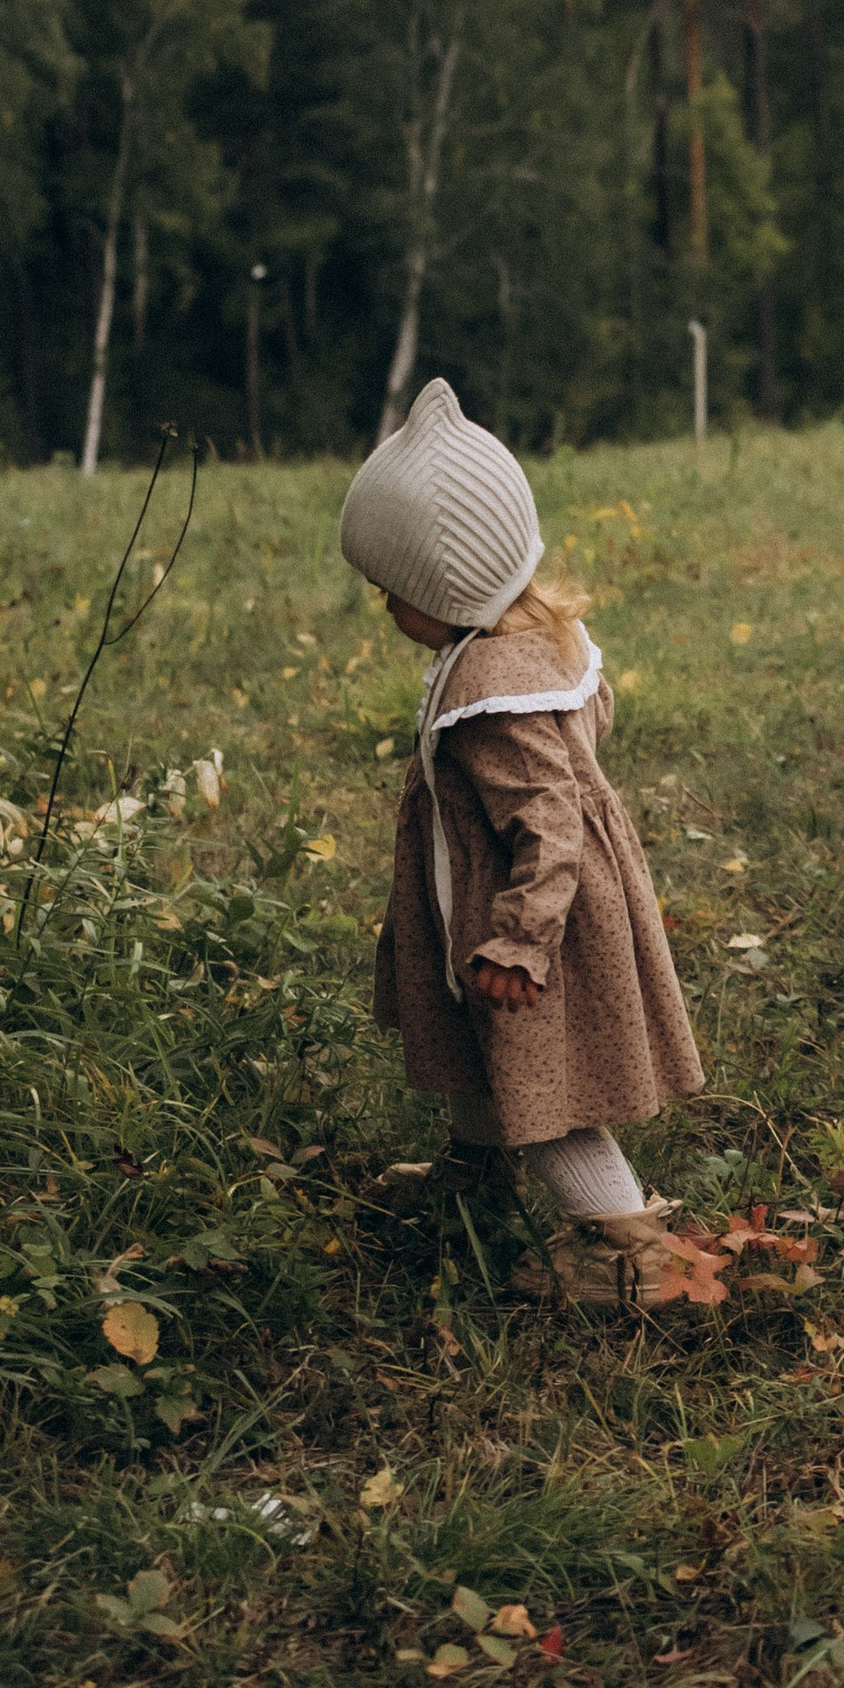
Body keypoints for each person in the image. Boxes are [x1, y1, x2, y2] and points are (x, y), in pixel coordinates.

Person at [341, 378, 705, 1298]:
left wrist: (519, 937)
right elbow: (594, 727)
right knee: (486, 1047)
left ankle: (631, 1249)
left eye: (394, 589)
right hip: (527, 901)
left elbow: (549, 819)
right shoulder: (542, 639)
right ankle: (474, 1170)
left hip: (534, 920)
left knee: (546, 1086)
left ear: (451, 583)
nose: (384, 605)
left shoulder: (488, 693)